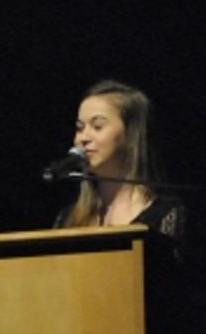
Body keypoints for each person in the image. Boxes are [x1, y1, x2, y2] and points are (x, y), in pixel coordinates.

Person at [55, 79, 185, 247]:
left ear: (130, 134)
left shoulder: (164, 214)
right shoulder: (67, 218)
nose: (83, 138)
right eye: (80, 128)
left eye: (97, 126)